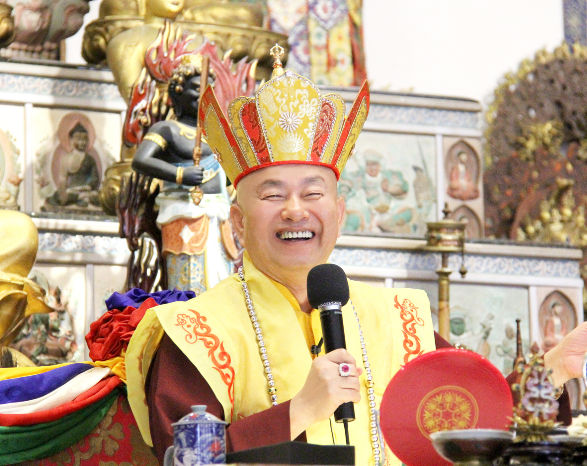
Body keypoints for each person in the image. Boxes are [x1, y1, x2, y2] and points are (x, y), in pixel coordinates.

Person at [126, 56, 587, 465]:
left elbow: (473, 417)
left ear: (340, 214)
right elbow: (184, 458)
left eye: (313, 193)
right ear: (238, 223)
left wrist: (556, 367)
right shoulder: (193, 333)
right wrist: (300, 411)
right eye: (273, 195)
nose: (295, 210)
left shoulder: (398, 319)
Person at [132, 54, 237, 294]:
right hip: (183, 212)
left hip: (219, 215)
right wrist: (180, 174)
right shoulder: (167, 129)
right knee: (189, 279)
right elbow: (141, 160)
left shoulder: (215, 134)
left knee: (220, 279)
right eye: (196, 88)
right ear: (178, 93)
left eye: (208, 89)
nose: (204, 95)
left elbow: (229, 175)